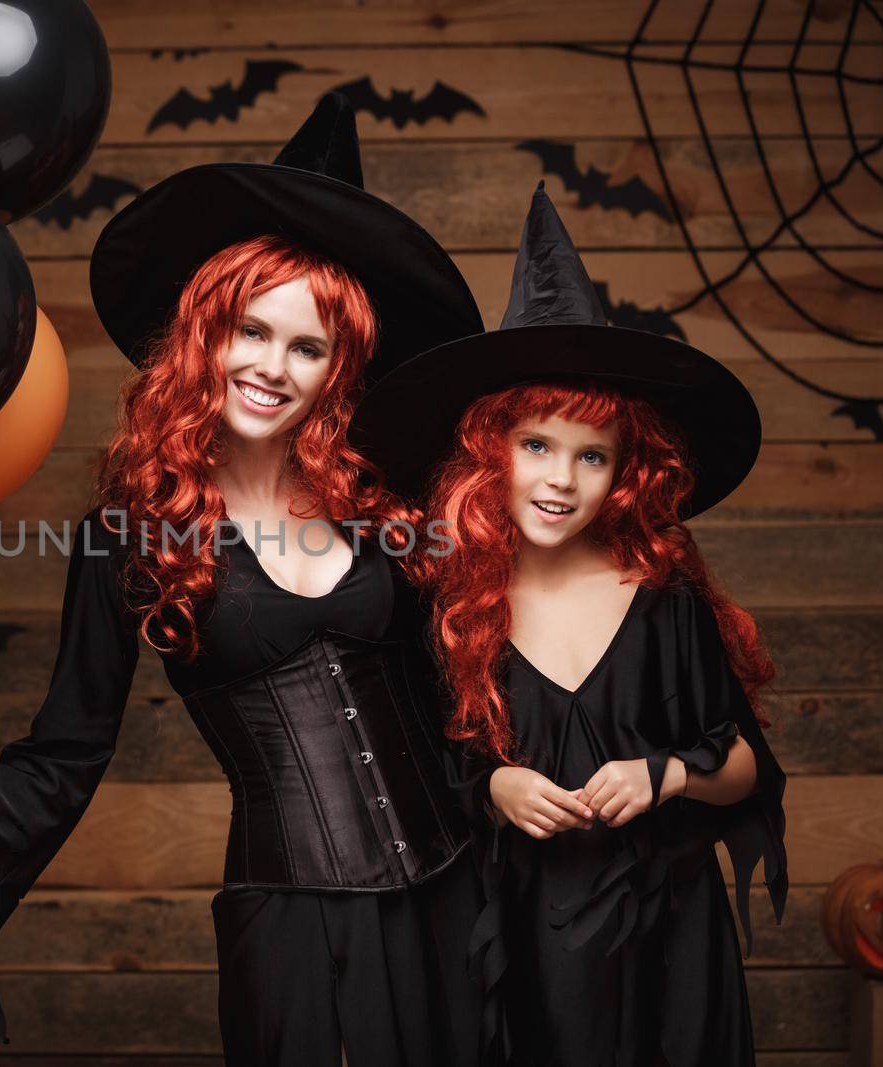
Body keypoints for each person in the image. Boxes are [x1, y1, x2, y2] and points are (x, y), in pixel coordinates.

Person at [0, 94, 497, 1065]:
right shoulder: (131, 538)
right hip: (290, 927)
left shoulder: (389, 507)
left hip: (459, 899)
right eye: (249, 329)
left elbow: (484, 679)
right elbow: (65, 752)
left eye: (306, 346)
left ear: (337, 370)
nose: (270, 366)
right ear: (205, 335)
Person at [350, 184, 788, 1066]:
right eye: (538, 446)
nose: (562, 479)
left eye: (593, 456)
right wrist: (497, 790)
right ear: (490, 452)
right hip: (524, 942)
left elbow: (742, 766)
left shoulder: (662, 597)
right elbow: (431, 778)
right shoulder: (454, 608)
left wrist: (666, 774)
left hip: (671, 941)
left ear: (629, 473)